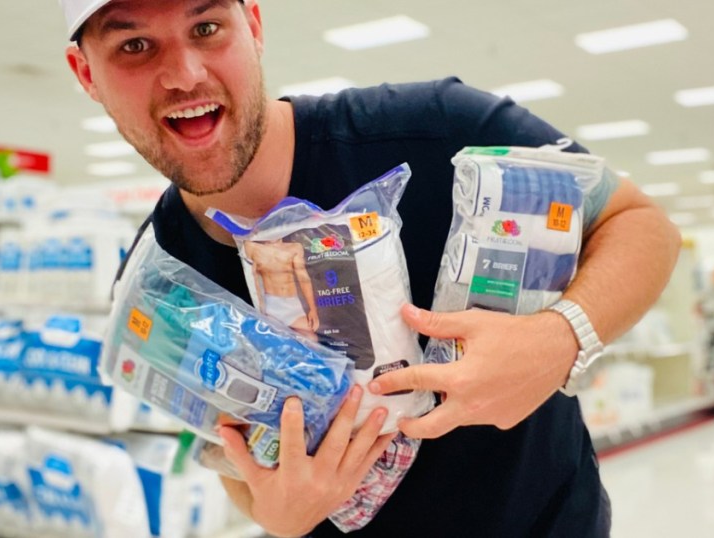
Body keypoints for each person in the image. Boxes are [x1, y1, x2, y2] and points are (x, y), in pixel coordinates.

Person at [60, 0, 682, 536]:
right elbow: (233, 449)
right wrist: (277, 515)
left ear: (252, 24)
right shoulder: (158, 282)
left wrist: (560, 337)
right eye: (135, 44)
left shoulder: (439, 130)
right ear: (86, 73)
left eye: (207, 28)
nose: (184, 74)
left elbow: (641, 224)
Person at [245, 239, 320, 339]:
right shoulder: (252, 247)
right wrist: (259, 308)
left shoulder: (294, 247)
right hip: (270, 305)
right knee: (274, 339)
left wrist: (313, 310)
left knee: (312, 339)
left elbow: (303, 278)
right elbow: (253, 279)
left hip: (292, 305)